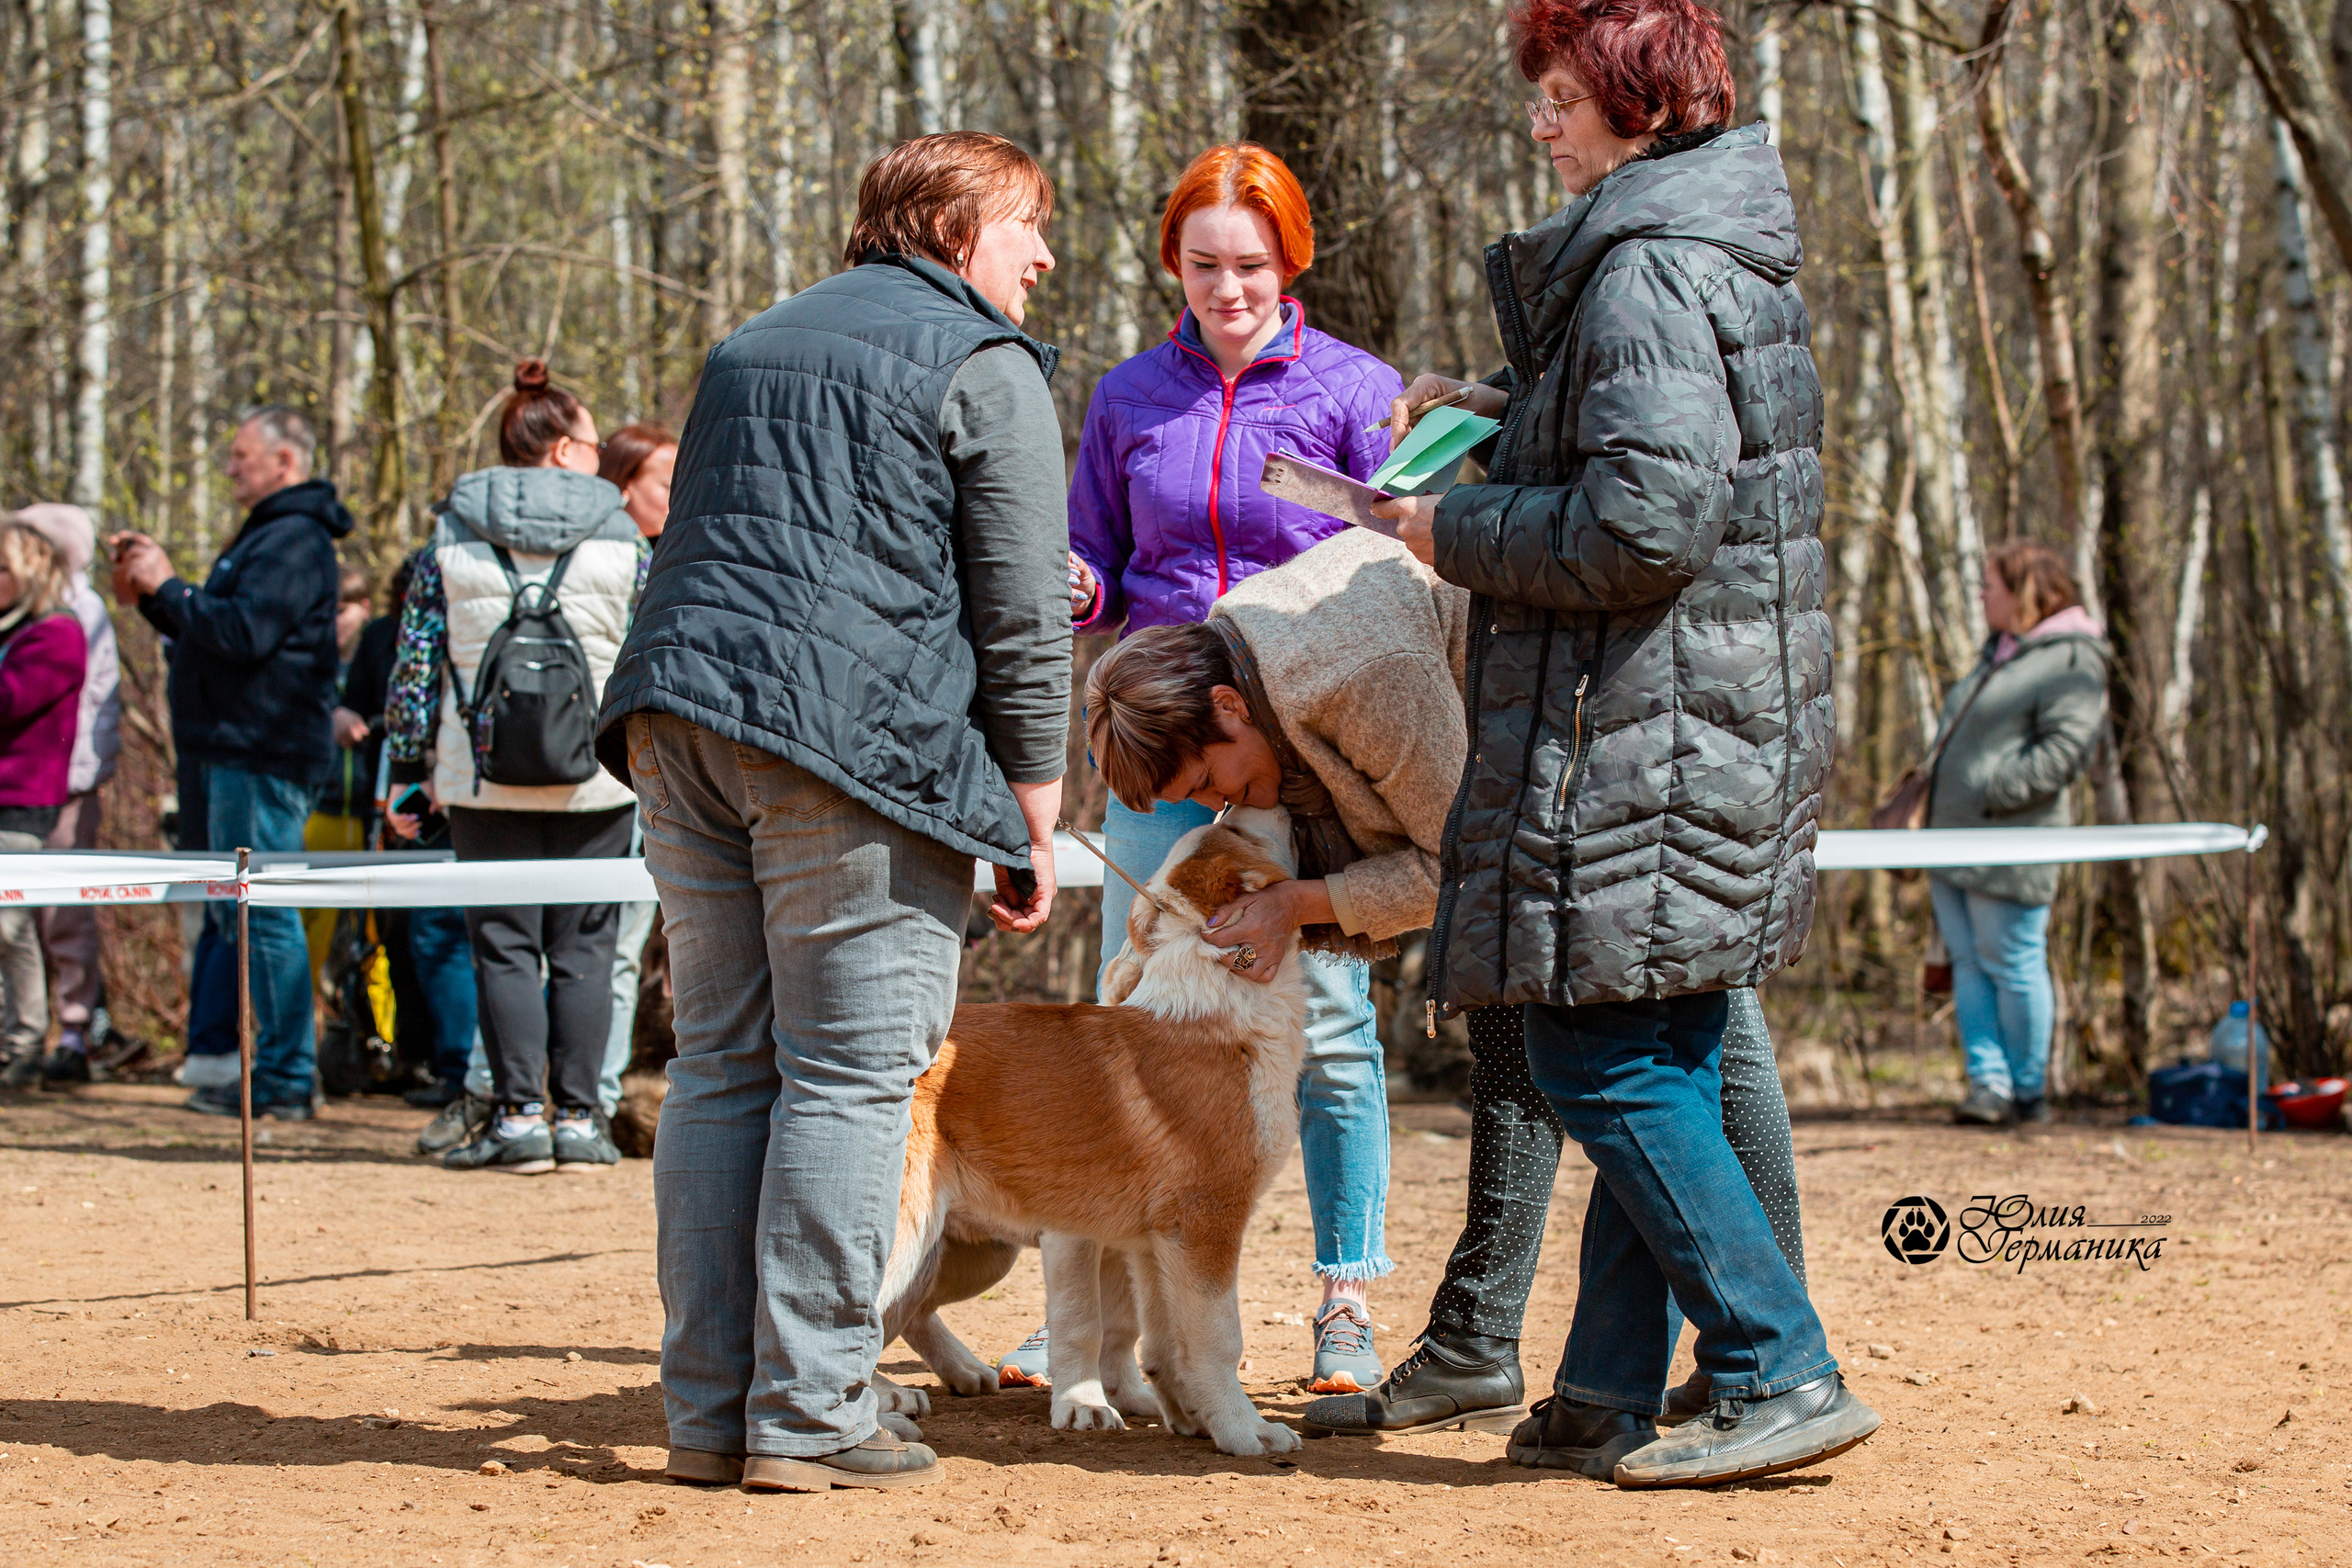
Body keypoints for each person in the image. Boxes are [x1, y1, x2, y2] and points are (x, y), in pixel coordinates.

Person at [1371, 0, 1874, 1487]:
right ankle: (1603, 1389)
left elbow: (1648, 523)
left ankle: (1778, 1361)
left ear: (1639, 105)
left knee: (1596, 1052)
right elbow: (1641, 450)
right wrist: (1490, 416)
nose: (1540, 122)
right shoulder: (1694, 244)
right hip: (1693, 714)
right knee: (1656, 1043)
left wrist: (1450, 529)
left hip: (1647, 725)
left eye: (1561, 96)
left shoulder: (1646, 261)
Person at [597, 130, 1069, 1493]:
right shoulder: (984, 360)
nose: (1042, 256)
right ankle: (810, 1415)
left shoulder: (750, 343)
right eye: (1027, 225)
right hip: (847, 743)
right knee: (853, 1073)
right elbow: (1023, 611)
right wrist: (1031, 812)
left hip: (678, 718)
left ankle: (710, 1414)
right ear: (956, 227)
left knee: (721, 1065)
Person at [1056, 141, 1406, 1395]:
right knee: (1133, 1006)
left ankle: (1345, 1297)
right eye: (1203, 264)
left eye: (1250, 263)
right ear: (1175, 264)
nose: (1228, 288)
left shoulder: (1357, 389)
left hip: (1298, 752)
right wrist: (1077, 585)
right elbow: (1096, 566)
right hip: (1161, 748)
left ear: (1289, 259)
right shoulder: (1127, 397)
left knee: (1329, 1023)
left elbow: (1396, 564)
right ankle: (1101, 1308)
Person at [384, 360, 645, 1175]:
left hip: (481, 775)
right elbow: (651, 652)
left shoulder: (449, 535)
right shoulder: (623, 538)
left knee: (501, 947)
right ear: (564, 450)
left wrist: (406, 768)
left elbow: (416, 664)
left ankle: (519, 1117)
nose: (600, 459)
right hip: (597, 776)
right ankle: (580, 1121)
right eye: (594, 445)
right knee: (586, 948)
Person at [114, 405, 353, 1122]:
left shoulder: (293, 539)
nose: (229, 467)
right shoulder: (268, 535)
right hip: (234, 750)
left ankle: (285, 1075)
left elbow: (244, 632)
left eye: (242, 455)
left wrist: (171, 585)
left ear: (285, 461)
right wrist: (155, 596)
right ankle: (277, 1069)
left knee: (264, 915)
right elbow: (215, 632)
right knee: (240, 916)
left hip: (261, 749)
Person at [1929, 541, 2108, 1128]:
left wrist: (1992, 792)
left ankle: (2029, 1090)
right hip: (1951, 841)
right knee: (1968, 964)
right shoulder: (2000, 653)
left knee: (2012, 962)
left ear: (2025, 591)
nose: (1981, 594)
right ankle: (1990, 1086)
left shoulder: (2071, 658)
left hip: (2010, 843)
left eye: (1991, 585)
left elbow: (2066, 751)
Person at [5, 504, 122, 1085]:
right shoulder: (18, 624)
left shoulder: (67, 623)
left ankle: (51, 1035)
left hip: (43, 791)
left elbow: (18, 700)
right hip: (34, 789)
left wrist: (83, 776)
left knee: (35, 920)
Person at [595, 423, 678, 1120]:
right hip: (621, 767)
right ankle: (589, 1096)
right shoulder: (642, 564)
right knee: (613, 947)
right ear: (622, 488)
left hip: (635, 770)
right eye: (663, 482)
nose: (678, 496)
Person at [0, 521, 90, 1087]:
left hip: (21, 800)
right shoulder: (11, 631)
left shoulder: (56, 634)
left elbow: (9, 700)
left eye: (2, 569)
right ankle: (19, 1041)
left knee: (5, 924)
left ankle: (25, 1042)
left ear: (31, 572)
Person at [305, 563, 379, 980]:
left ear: (364, 608)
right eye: (323, 611)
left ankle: (380, 1020)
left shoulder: (383, 659)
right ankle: (306, 1015)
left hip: (372, 817)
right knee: (309, 928)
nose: (332, 622)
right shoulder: (307, 665)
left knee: (375, 932)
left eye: (340, 610)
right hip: (320, 813)